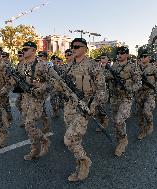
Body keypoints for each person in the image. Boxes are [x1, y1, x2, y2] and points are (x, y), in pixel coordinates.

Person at [50, 38, 107, 182]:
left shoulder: (93, 66)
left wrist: (91, 107)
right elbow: (60, 86)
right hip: (69, 108)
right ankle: (79, 163)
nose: (73, 49)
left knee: (69, 140)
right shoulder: (69, 66)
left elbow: (102, 91)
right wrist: (57, 84)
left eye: (76, 46)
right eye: (72, 47)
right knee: (75, 140)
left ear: (85, 49)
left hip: (84, 108)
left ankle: (84, 162)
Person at [105, 46, 142, 156]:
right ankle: (119, 139)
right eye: (118, 53)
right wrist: (108, 76)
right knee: (116, 122)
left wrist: (129, 89)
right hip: (115, 97)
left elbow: (138, 83)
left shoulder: (132, 67)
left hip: (126, 97)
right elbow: (107, 77)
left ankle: (123, 141)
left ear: (127, 54)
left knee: (119, 120)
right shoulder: (114, 66)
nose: (119, 55)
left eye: (122, 53)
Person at [20, 41, 51, 160]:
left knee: (29, 124)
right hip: (26, 98)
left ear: (33, 50)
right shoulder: (24, 65)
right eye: (23, 49)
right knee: (29, 125)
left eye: (26, 49)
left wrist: (39, 88)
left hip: (36, 98)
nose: (24, 51)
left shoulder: (42, 65)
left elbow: (52, 83)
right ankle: (35, 150)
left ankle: (44, 140)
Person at [135, 50, 157, 139]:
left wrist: (155, 87)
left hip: (150, 93)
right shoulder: (136, 68)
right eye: (141, 56)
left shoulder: (154, 68)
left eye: (145, 56)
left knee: (147, 112)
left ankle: (150, 123)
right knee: (140, 114)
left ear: (149, 58)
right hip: (139, 93)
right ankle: (142, 131)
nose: (143, 58)